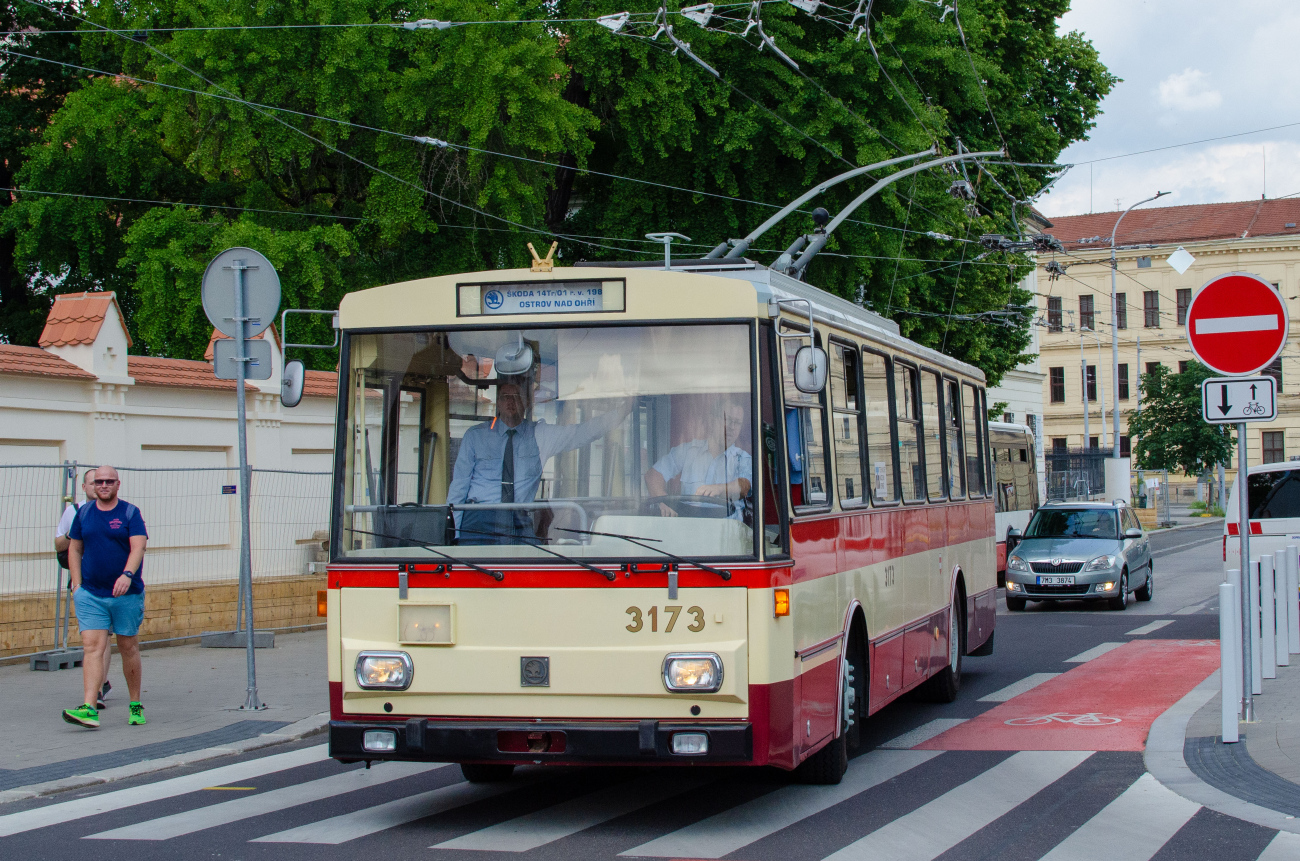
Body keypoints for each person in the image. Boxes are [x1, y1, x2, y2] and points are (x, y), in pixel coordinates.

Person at [448, 378, 631, 544]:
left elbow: (582, 433)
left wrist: (623, 411)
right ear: (498, 402)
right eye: (505, 397)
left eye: (516, 396)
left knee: (531, 570)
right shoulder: (475, 436)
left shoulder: (540, 435)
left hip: (517, 518)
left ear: (526, 402)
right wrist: (452, 532)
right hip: (479, 518)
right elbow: (459, 485)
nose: (511, 401)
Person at [62, 465, 148, 729]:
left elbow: (139, 546)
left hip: (126, 595)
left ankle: (135, 704)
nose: (104, 485)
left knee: (127, 647)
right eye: (99, 482)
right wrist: (77, 585)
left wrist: (127, 575)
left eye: (109, 481)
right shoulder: (84, 514)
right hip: (91, 594)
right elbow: (74, 549)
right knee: (92, 648)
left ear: (118, 484)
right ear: (92, 486)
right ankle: (89, 707)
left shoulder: (130, 513)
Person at [54, 468, 113, 710]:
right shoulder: (74, 512)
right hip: (84, 582)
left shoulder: (117, 511)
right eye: (93, 483)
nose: (98, 486)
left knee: (105, 636)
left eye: (103, 482)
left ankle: (98, 689)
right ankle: (99, 684)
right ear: (85, 487)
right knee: (92, 637)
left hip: (111, 583)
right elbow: (59, 544)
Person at [645, 399, 753, 520]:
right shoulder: (687, 452)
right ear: (712, 420)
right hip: (690, 532)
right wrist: (663, 501)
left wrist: (719, 489)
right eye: (727, 419)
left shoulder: (743, 459)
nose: (732, 427)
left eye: (737, 422)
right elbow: (653, 475)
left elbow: (744, 486)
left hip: (728, 533)